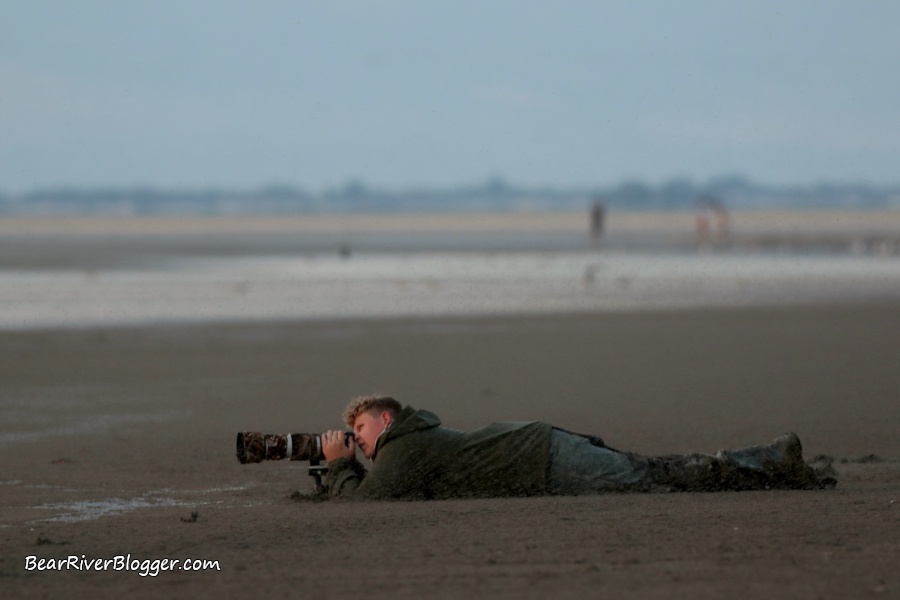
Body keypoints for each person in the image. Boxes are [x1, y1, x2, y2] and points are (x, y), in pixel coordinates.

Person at [321, 395, 835, 500]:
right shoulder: (411, 443)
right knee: (654, 473)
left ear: (385, 420)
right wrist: (341, 470)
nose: (357, 439)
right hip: (541, 450)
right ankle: (771, 460)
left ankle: (771, 461)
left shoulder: (405, 446)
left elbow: (371, 503)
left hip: (542, 460)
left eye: (361, 429)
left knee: (651, 480)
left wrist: (340, 468)